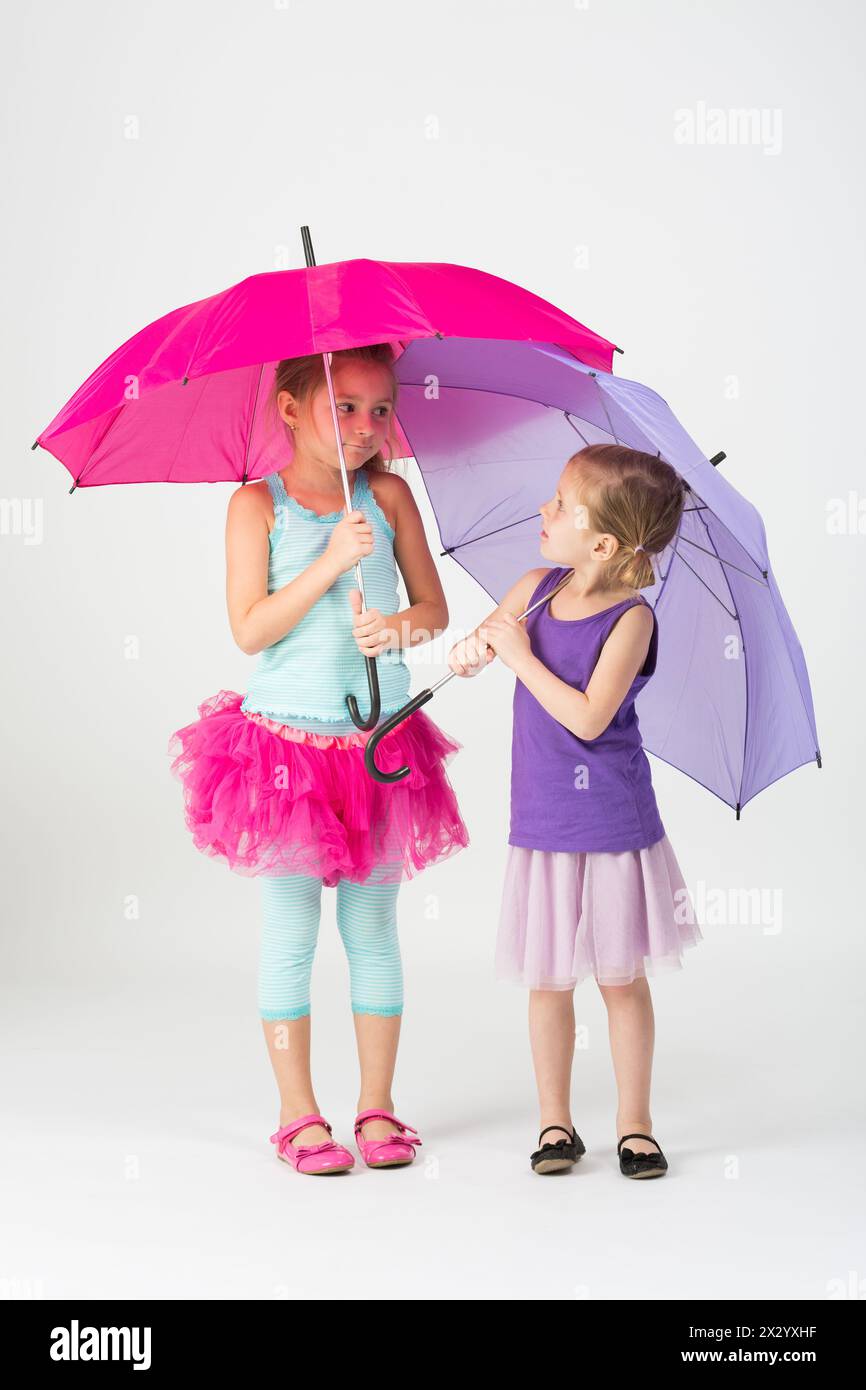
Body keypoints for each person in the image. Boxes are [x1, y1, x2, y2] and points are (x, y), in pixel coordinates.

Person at [168, 343, 469, 1176]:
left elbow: (434, 608)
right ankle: (298, 1113)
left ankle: (378, 1106)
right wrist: (331, 561)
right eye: (345, 407)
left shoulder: (391, 496)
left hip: (375, 743)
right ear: (292, 410)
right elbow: (251, 628)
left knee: (372, 924)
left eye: (381, 409)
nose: (367, 427)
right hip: (284, 751)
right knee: (292, 925)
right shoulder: (253, 505)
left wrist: (397, 629)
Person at [448, 443, 702, 1179]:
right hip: (545, 821)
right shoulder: (532, 588)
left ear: (603, 543)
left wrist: (521, 658)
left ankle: (635, 1123)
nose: (543, 510)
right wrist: (473, 650)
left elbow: (589, 718)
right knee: (549, 976)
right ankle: (555, 1121)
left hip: (613, 824)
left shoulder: (632, 621)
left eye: (561, 504)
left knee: (620, 978)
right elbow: (486, 643)